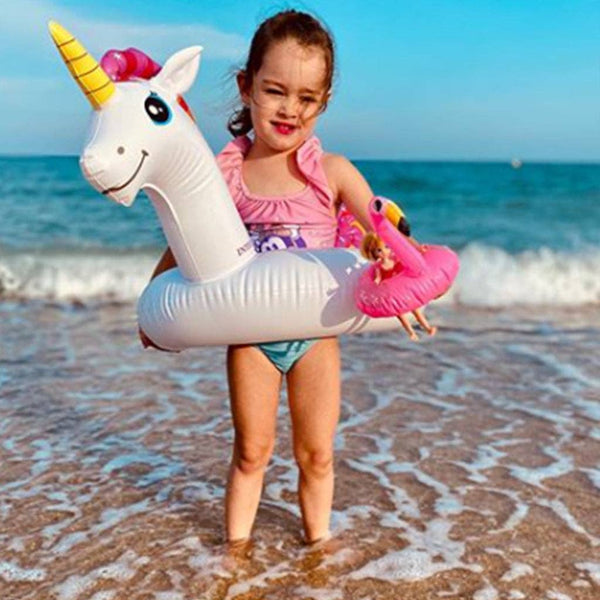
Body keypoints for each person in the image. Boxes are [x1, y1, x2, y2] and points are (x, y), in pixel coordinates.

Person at [141, 10, 375, 547]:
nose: (290, 109)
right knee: (252, 452)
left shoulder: (333, 172)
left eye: (307, 98)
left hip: (315, 335)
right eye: (275, 91)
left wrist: (398, 276)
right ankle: (234, 555)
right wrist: (153, 308)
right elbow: (185, 242)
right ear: (247, 87)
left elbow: (383, 232)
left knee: (316, 455)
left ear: (324, 101)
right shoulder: (225, 176)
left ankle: (319, 548)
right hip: (252, 337)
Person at [360, 231, 437, 341]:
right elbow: (378, 278)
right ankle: (411, 332)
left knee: (415, 309)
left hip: (401, 289)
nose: (384, 252)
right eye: (379, 250)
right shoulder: (378, 266)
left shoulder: (394, 260)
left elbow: (404, 266)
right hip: (391, 292)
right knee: (400, 314)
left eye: (386, 247)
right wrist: (377, 283)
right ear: (374, 253)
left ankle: (427, 327)